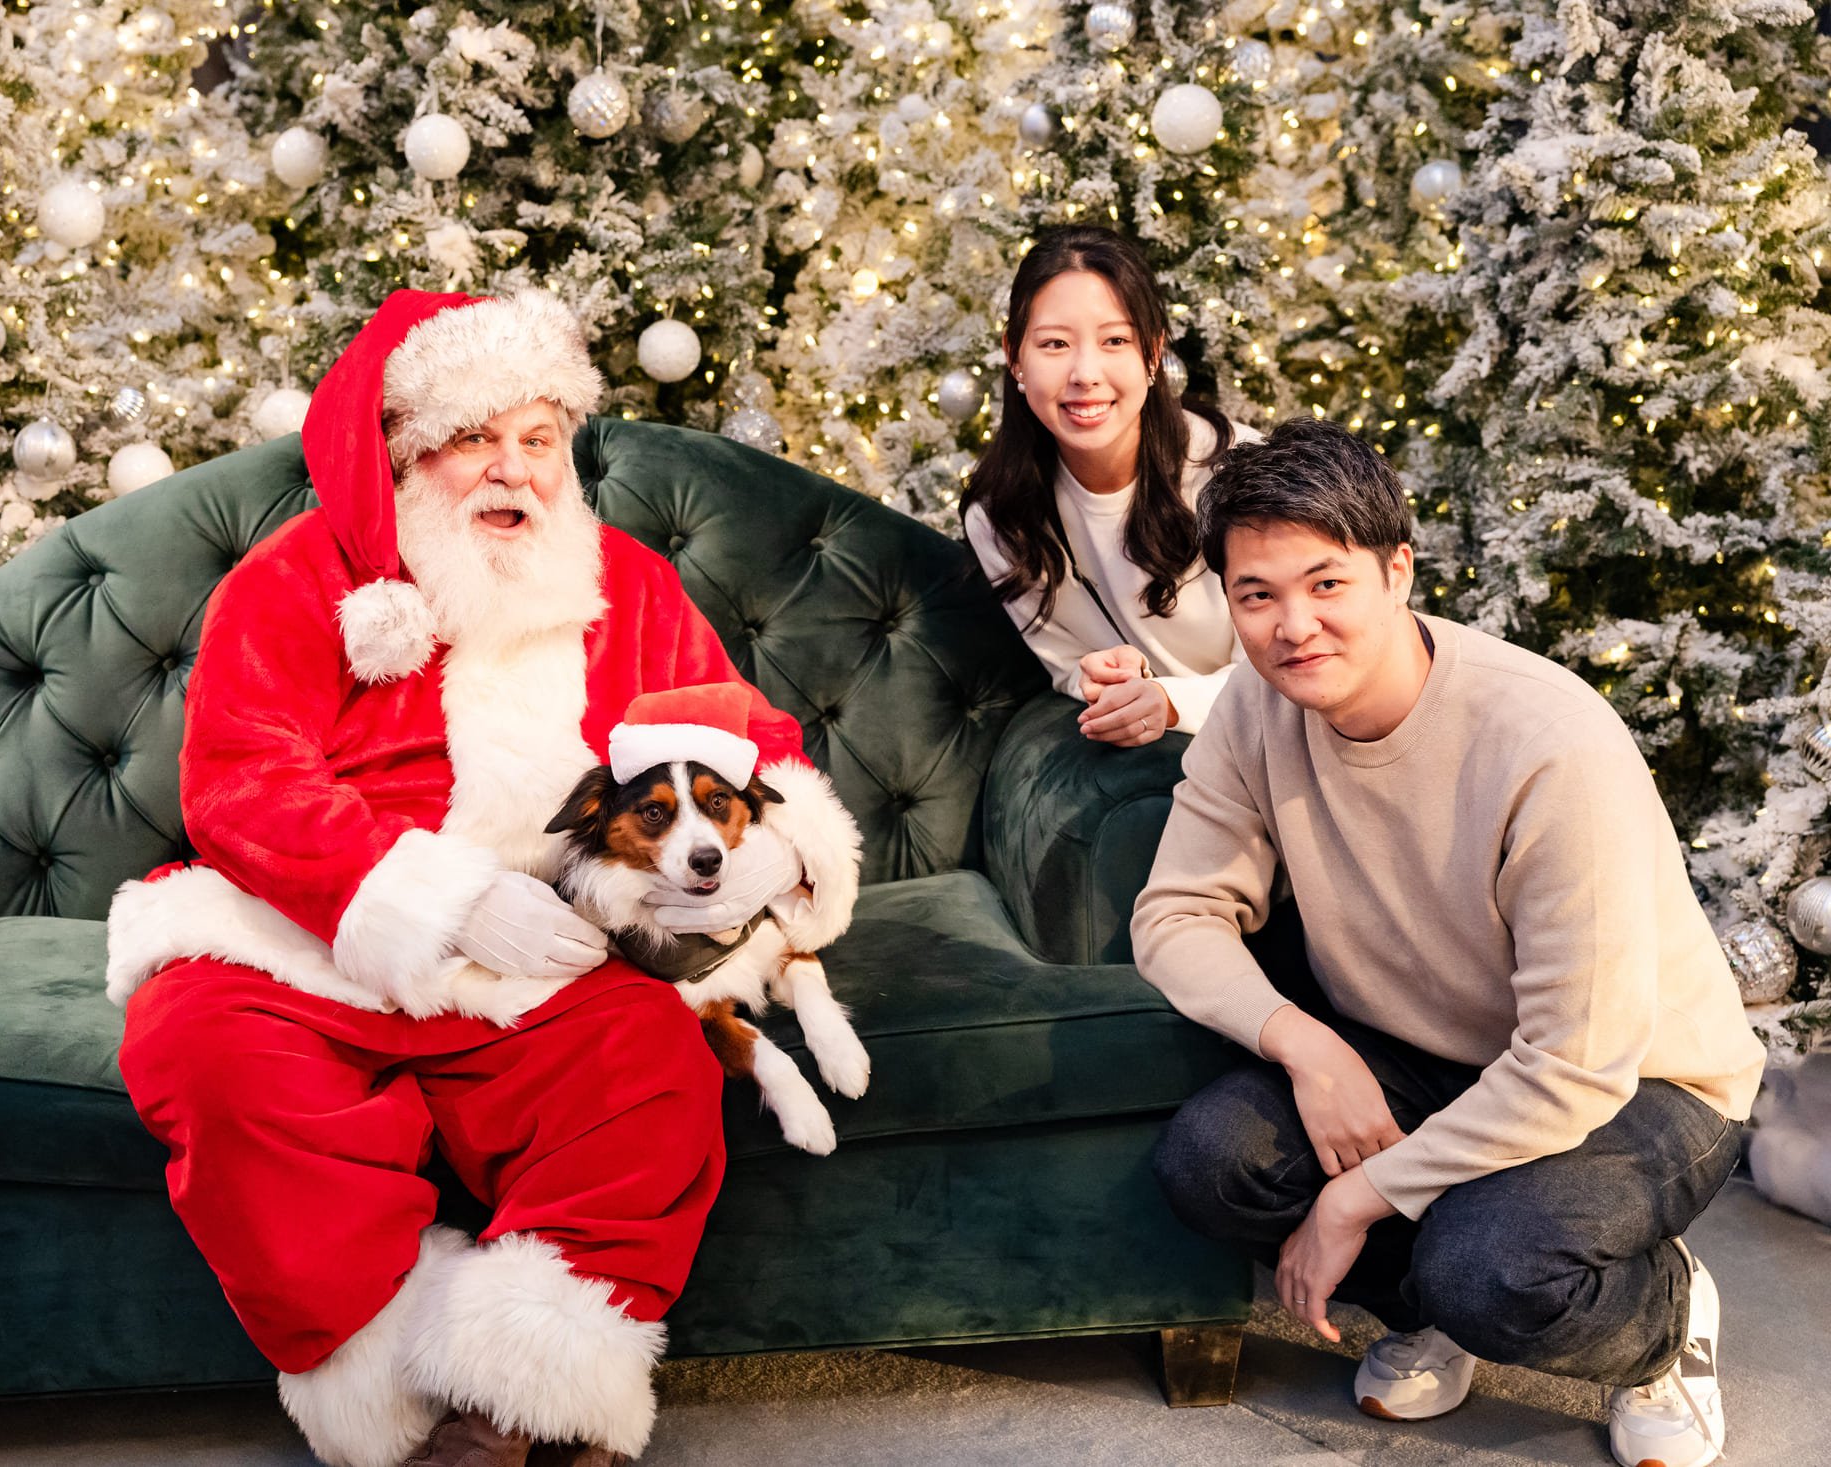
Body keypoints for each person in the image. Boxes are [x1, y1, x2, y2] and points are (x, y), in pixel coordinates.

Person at [102, 289, 863, 1467]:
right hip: (309, 937)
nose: (512, 471)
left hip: (545, 953)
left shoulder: (625, 587)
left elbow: (736, 740)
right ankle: (388, 1385)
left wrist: (755, 855)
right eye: (474, 439)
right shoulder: (295, 578)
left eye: (538, 439)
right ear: (408, 454)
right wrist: (440, 897)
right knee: (195, 1049)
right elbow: (241, 779)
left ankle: (518, 1399)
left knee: (655, 1070)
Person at [1131, 417, 1764, 1467]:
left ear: (1395, 573)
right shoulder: (1255, 708)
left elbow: (1573, 1061)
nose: (1293, 626)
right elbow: (1174, 914)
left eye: (1325, 583)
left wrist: (1359, 1198)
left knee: (1494, 1273)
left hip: (1644, 1077)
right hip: (1427, 1050)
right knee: (1212, 1160)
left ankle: (1663, 1323)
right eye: (1257, 595)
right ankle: (1430, 1296)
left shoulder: (1546, 744)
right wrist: (1306, 1044)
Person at [961, 225, 1257, 747]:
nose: (1085, 373)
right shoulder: (1000, 517)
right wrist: (1095, 678)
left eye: (1115, 341)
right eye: (1054, 344)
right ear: (1014, 356)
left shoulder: (1241, 471)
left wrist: (1167, 702)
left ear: (1152, 355)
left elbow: (1289, 672)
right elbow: (1064, 665)